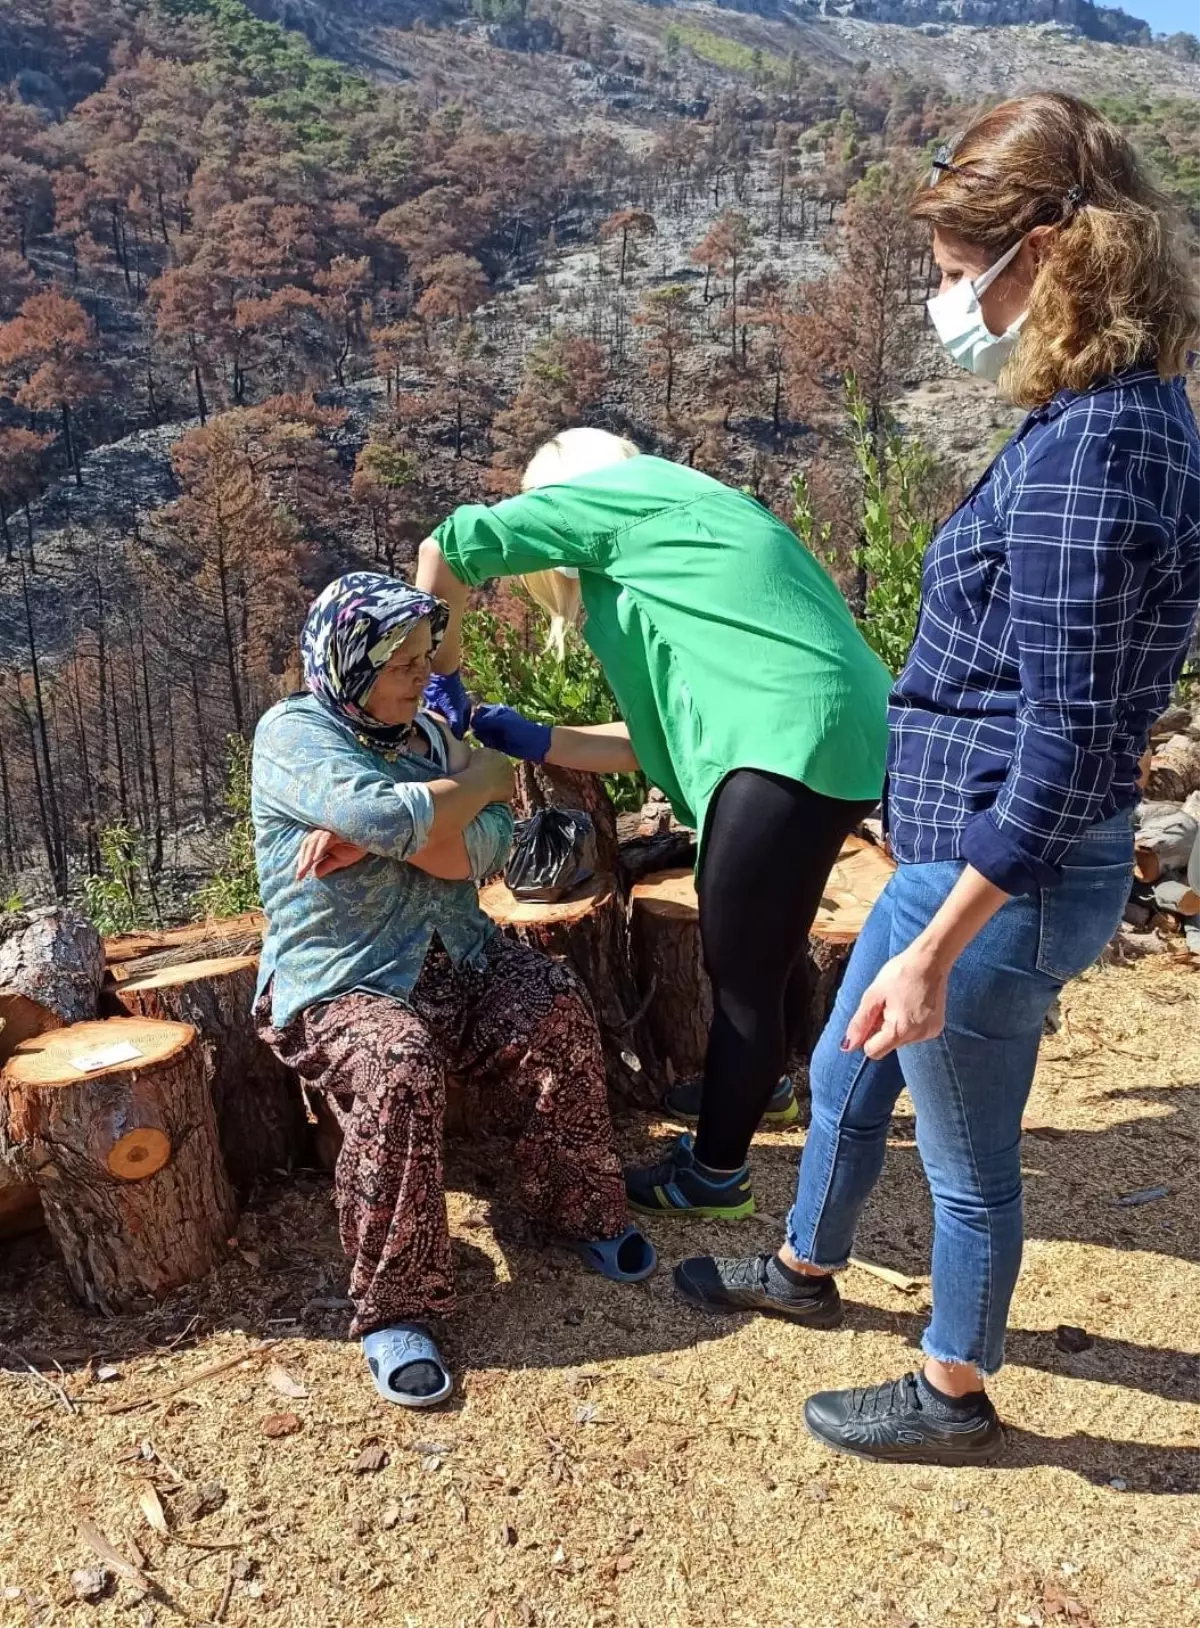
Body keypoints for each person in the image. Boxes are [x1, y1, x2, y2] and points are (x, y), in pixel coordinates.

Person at [674, 91, 1200, 1465]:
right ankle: (800, 1269)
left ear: (1047, 252)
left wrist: (942, 945)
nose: (947, 305)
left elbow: (1074, 743)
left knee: (968, 1171)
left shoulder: (1094, 456)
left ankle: (953, 1393)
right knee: (847, 1079)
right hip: (951, 861)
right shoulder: (1110, 414)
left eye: (959, 279)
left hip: (1002, 884)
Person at [415, 429, 892, 1220]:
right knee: (758, 943)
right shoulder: (697, 523)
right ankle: (762, 1088)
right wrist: (538, 737)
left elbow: (449, 548)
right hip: (839, 738)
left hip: (782, 744)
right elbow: (657, 737)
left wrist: (445, 669)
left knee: (737, 972)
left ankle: (714, 1176)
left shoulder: (621, 505)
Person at [251, 572, 655, 1410]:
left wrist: (395, 825)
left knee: (552, 1006)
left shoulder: (427, 733)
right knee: (397, 1065)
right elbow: (425, 821)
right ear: (347, 662)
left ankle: (573, 1206)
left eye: (419, 658)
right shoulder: (294, 734)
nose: (415, 675)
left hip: (455, 959)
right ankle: (395, 1311)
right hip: (341, 982)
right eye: (396, 663)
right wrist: (470, 784)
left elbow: (483, 847)